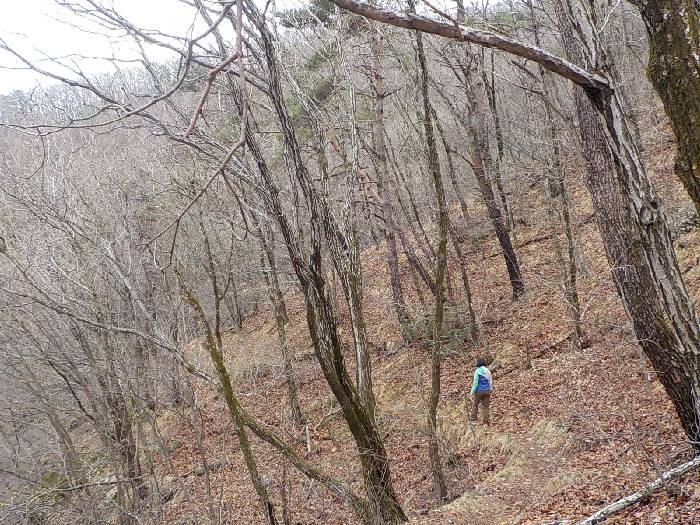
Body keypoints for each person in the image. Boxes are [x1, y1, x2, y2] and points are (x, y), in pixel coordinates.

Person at [470, 358, 492, 425]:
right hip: (487, 391)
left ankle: (473, 419)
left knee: (475, 405)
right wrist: (490, 389)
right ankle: (486, 421)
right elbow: (490, 381)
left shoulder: (477, 371)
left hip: (479, 391)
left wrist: (472, 391)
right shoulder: (488, 371)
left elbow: (475, 382)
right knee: (486, 406)